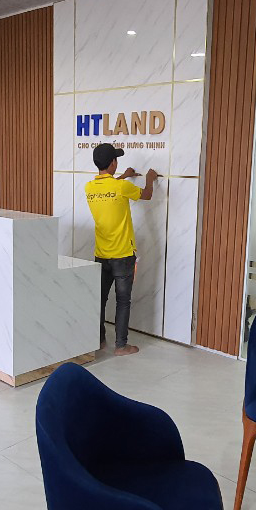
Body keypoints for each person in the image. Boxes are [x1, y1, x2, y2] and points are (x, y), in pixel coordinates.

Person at [85, 143, 158, 356]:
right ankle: (121, 346)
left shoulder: (89, 187)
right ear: (113, 163)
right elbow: (147, 195)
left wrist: (124, 175)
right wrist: (150, 179)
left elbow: (109, 188)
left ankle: (99, 340)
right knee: (123, 301)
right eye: (116, 159)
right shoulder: (121, 187)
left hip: (101, 254)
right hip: (123, 255)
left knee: (100, 299)